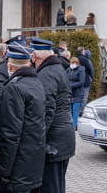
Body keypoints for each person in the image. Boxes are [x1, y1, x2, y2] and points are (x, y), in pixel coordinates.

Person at [0, 41, 46, 193]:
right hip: (33, 164)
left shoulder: (14, 88)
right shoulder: (37, 83)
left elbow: (10, 134)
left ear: (9, 66)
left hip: (17, 169)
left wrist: (3, 171)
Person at [31, 37, 75, 193]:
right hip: (62, 138)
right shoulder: (57, 68)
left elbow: (46, 110)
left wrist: (36, 139)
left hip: (54, 141)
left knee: (51, 186)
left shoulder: (46, 74)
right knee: (56, 185)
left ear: (34, 56)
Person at [67, 57, 86, 128]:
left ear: (76, 63)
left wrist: (71, 85)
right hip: (70, 93)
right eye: (71, 63)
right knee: (71, 110)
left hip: (77, 93)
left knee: (75, 110)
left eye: (73, 63)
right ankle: (72, 124)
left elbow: (81, 82)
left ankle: (74, 125)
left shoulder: (81, 70)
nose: (71, 65)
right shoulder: (69, 70)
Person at [74, 47, 94, 113]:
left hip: (76, 81)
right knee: (84, 97)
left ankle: (76, 111)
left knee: (76, 97)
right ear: (83, 52)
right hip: (85, 81)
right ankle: (81, 112)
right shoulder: (86, 60)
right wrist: (91, 77)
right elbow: (90, 70)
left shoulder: (74, 59)